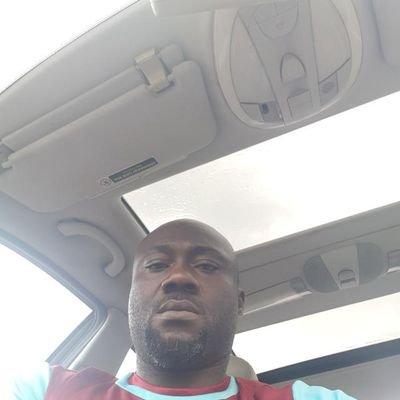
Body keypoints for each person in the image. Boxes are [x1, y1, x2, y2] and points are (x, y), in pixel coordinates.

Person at [10, 219, 356, 399]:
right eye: (157, 265)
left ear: (239, 303)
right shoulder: (45, 390)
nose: (178, 277)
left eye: (206, 266)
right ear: (131, 297)